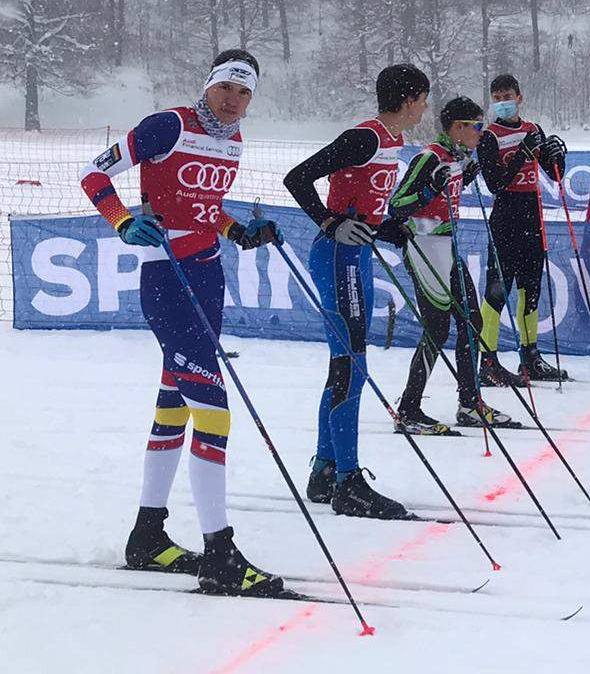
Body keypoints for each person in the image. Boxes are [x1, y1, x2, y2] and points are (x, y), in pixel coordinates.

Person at [79, 49, 285, 596]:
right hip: (166, 279)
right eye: (226, 89)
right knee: (212, 409)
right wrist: (122, 220)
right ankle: (220, 552)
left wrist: (237, 230)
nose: (234, 101)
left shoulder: (233, 140)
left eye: (245, 93)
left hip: (207, 275)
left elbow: (204, 205)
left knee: (175, 401)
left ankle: (148, 536)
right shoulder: (169, 124)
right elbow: (93, 173)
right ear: (209, 85)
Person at [283, 63, 429, 520]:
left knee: (345, 363)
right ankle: (348, 481)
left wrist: (390, 229)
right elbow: (298, 178)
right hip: (336, 257)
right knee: (352, 364)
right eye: (423, 99)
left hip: (357, 256)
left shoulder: (393, 141)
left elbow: (363, 204)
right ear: (408, 100)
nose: (425, 107)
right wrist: (331, 222)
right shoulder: (364, 137)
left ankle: (326, 469)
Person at [388, 96, 511, 433]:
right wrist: (428, 190)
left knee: (471, 323)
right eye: (476, 126)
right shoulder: (429, 157)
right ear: (458, 128)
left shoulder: (456, 158)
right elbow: (397, 206)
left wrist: (465, 177)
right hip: (426, 248)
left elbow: (447, 191)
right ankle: (409, 409)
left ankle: (470, 403)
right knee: (437, 329)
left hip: (448, 247)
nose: (480, 133)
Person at [476, 73, 569, 385]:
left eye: (508, 96)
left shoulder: (533, 130)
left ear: (519, 97)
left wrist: (558, 158)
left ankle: (530, 359)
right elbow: (495, 184)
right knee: (497, 292)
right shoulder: (489, 136)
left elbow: (553, 175)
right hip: (506, 218)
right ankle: (487, 361)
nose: (503, 102)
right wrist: (521, 156)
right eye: (497, 97)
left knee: (531, 290)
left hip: (532, 217)